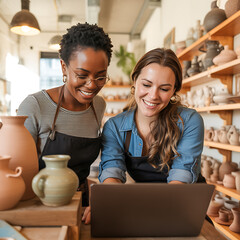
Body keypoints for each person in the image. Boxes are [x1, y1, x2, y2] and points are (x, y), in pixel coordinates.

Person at [17, 23, 113, 223]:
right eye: (82, 75)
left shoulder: (98, 106)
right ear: (63, 66)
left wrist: (99, 194)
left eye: (100, 76)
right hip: (41, 207)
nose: (91, 85)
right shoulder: (35, 106)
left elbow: (80, 170)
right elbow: (20, 174)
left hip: (84, 206)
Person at [99, 48, 204, 185]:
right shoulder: (114, 127)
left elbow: (181, 177)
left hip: (181, 198)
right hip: (147, 198)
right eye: (146, 85)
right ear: (135, 81)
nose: (153, 96)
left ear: (174, 90)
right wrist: (110, 199)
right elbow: (111, 172)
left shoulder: (189, 121)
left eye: (164, 89)